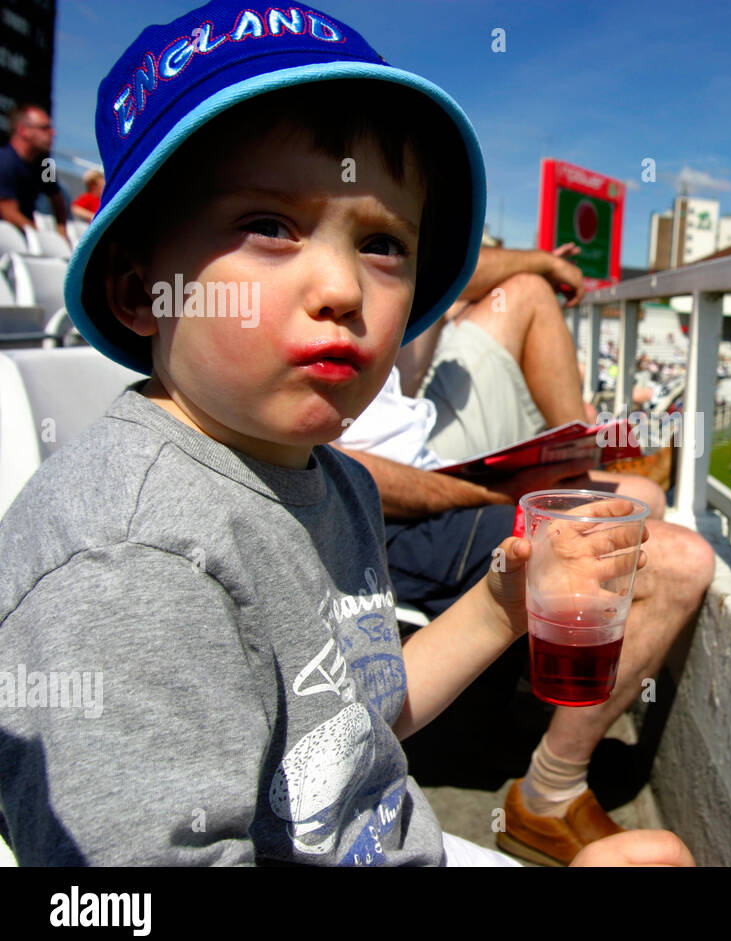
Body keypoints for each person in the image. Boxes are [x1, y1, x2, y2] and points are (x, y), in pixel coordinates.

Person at [0, 0, 692, 868]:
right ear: (141, 293)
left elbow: (360, 724)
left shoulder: (332, 481)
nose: (342, 288)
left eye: (382, 243)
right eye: (268, 225)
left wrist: (501, 604)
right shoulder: (128, 563)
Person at [332, 253, 715, 866]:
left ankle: (582, 465)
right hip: (392, 513)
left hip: (420, 463)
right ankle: (548, 794)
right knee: (677, 560)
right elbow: (348, 473)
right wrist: (494, 494)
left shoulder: (353, 288)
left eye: (387, 244)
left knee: (635, 497)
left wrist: (536, 263)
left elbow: (447, 267)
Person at [0, 103, 69, 240]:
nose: (52, 132)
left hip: (25, 237)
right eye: (45, 128)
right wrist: (43, 240)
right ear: (23, 131)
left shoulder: (45, 164)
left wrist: (62, 233)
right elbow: (8, 212)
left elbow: (57, 201)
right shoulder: (4, 160)